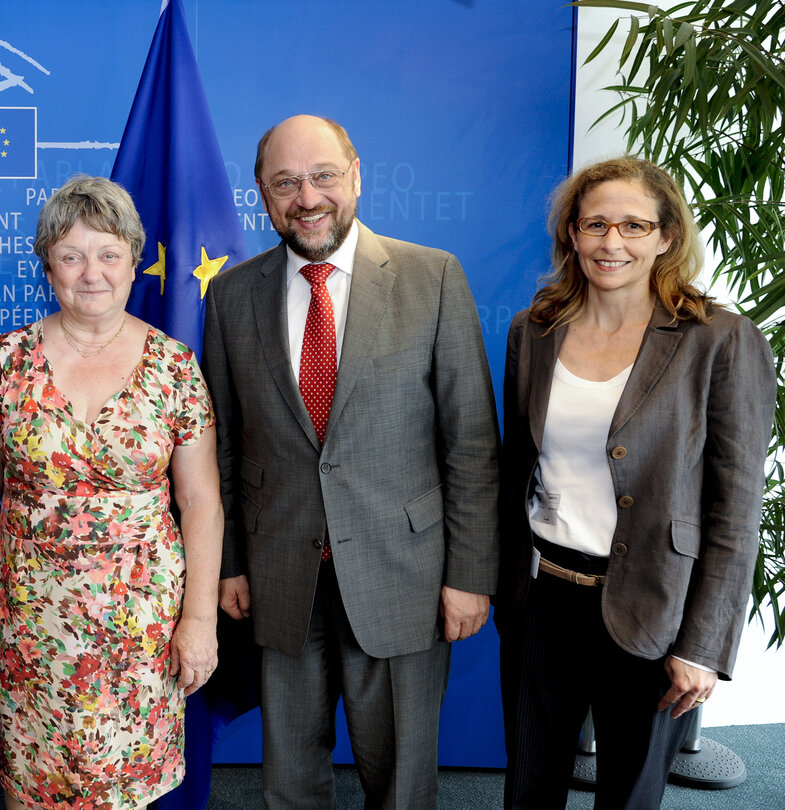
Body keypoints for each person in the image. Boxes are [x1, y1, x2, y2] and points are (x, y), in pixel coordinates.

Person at [201, 114, 500, 809]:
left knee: (399, 781)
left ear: (355, 175)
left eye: (322, 176)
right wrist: (229, 563)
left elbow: (472, 443)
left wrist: (468, 574)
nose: (306, 197)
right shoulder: (231, 295)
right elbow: (220, 445)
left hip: (406, 577)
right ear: (261, 194)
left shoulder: (431, 278)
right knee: (288, 780)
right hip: (279, 575)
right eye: (284, 183)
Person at [496, 156, 774, 809]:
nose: (610, 243)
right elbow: (514, 469)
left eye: (631, 226)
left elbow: (734, 509)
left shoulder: (718, 340)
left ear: (666, 237)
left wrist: (702, 647)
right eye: (594, 224)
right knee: (528, 789)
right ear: (570, 234)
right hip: (542, 599)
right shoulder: (534, 332)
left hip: (654, 606)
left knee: (627, 796)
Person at [0, 175, 223, 809]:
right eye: (72, 255)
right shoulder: (6, 362)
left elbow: (202, 502)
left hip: (142, 627)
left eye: (108, 253)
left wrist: (200, 619)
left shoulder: (174, 368)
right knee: (35, 787)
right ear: (48, 264)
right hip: (33, 621)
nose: (91, 272)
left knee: (124, 791)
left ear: (135, 262)